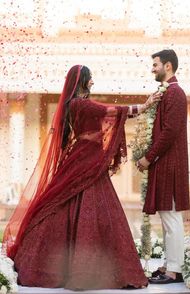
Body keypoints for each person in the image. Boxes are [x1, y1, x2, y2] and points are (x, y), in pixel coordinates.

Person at [2, 65, 160, 290]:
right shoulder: (80, 104)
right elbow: (111, 111)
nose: (93, 82)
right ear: (83, 81)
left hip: (86, 157)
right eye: (91, 78)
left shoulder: (73, 104)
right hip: (86, 157)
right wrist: (143, 106)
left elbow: (104, 114)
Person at [137, 50, 190, 284]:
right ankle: (170, 265)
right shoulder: (166, 93)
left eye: (155, 64)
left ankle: (175, 270)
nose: (153, 69)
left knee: (172, 217)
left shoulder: (176, 93)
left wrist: (149, 157)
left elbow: (170, 131)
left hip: (171, 164)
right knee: (167, 217)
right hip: (165, 163)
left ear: (168, 66)